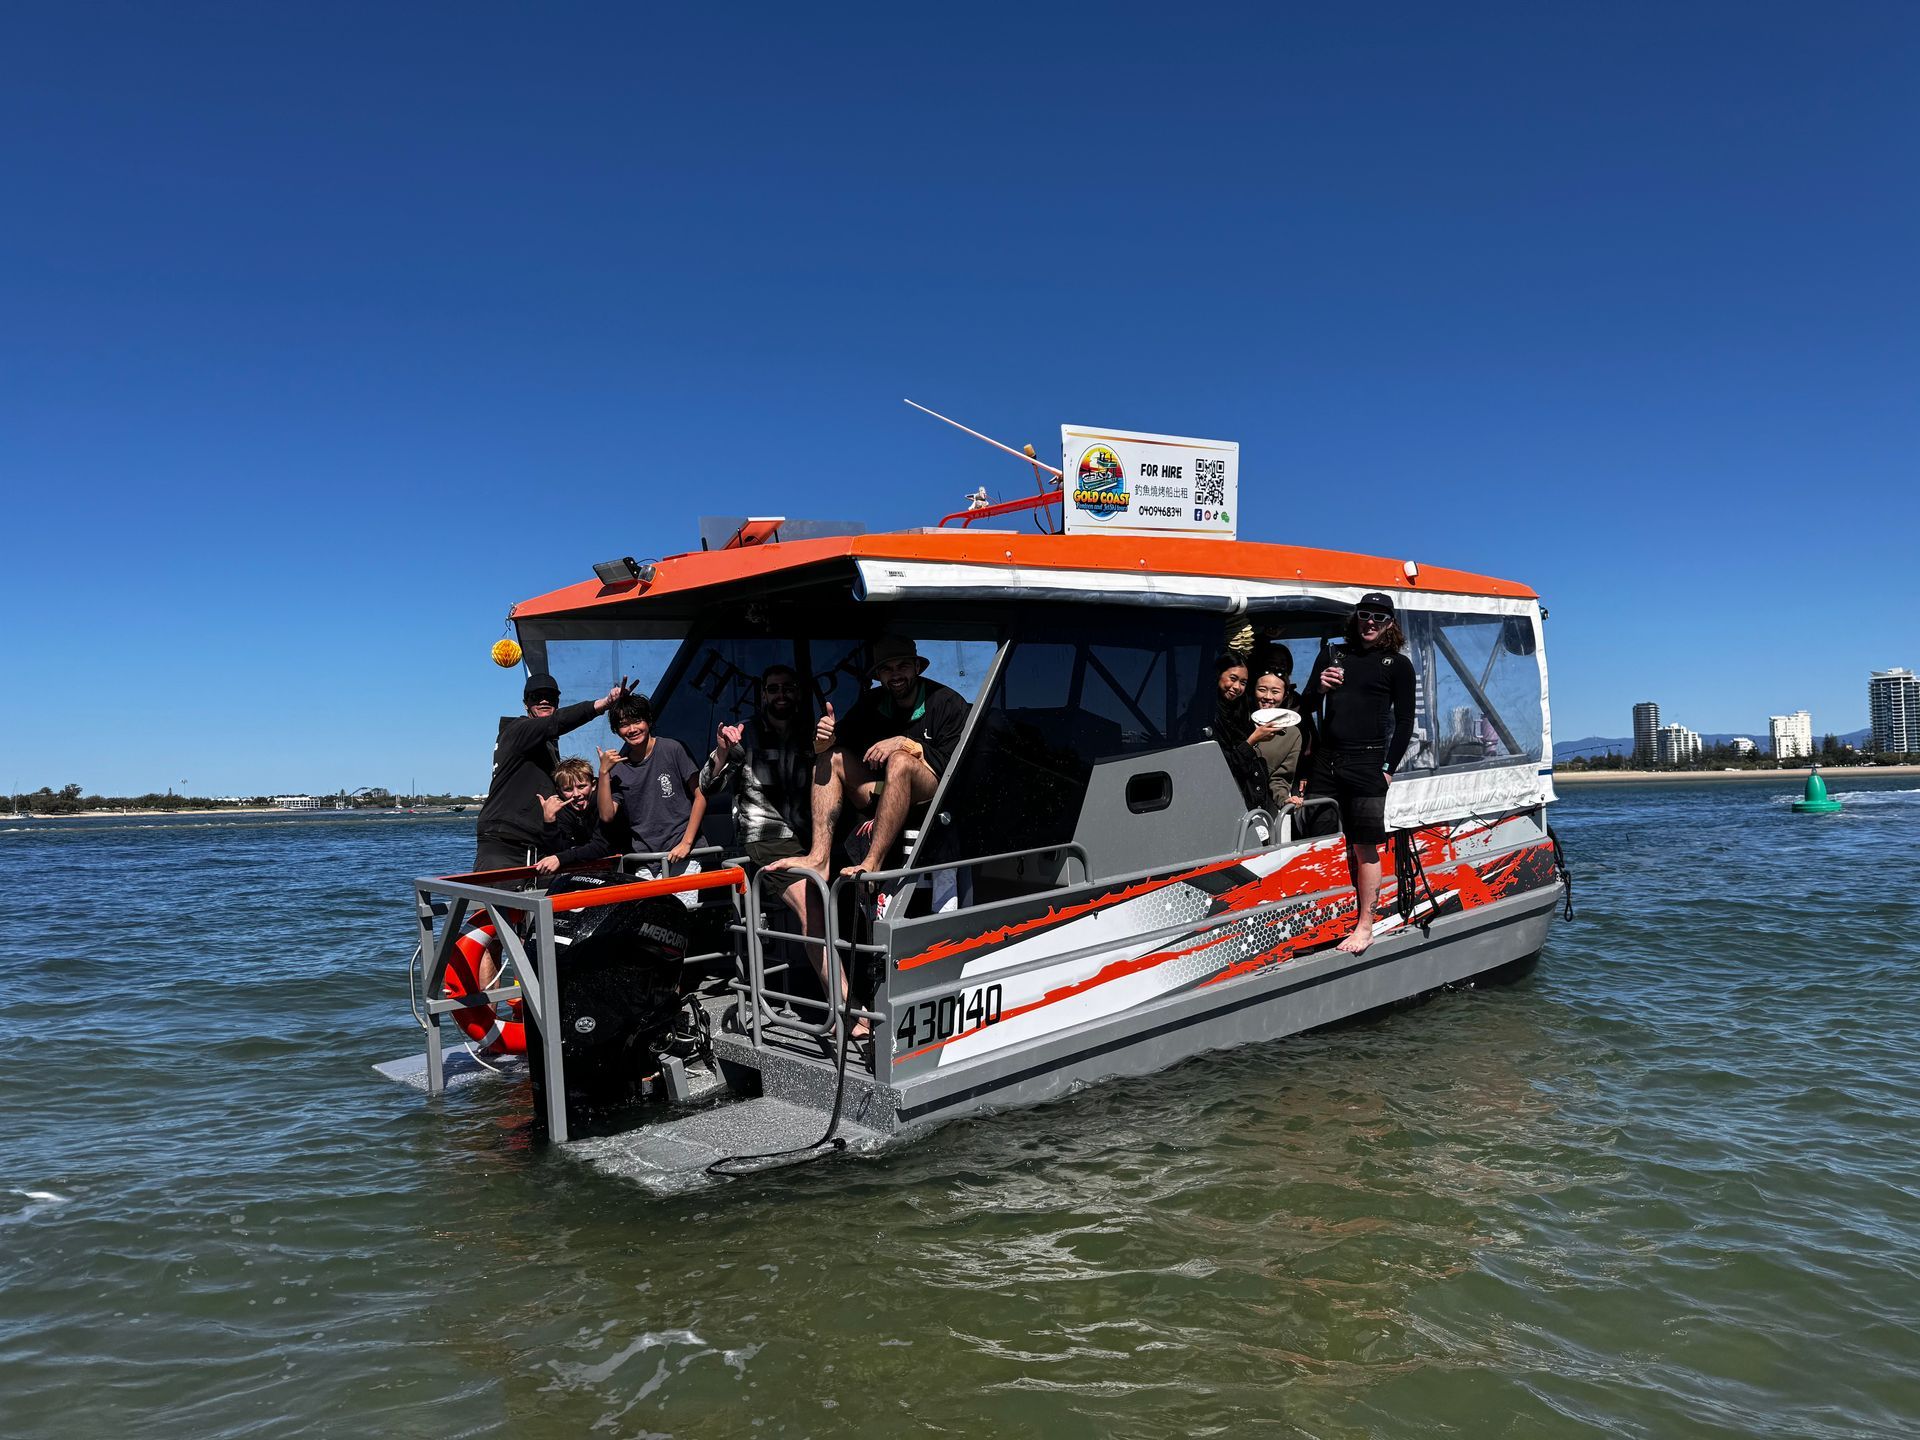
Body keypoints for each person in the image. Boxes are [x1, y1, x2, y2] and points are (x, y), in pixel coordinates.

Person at [770, 635, 969, 881]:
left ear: (917, 667)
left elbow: (955, 766)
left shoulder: (947, 702)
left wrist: (905, 744)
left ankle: (872, 863)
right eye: (886, 669)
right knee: (833, 757)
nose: (895, 675)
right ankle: (819, 858)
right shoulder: (872, 703)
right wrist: (823, 739)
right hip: (881, 793)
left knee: (900, 760)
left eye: (902, 666)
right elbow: (837, 740)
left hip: (931, 798)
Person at [699, 664, 828, 993]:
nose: (781, 694)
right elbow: (708, 786)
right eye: (773, 689)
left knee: (849, 898)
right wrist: (724, 751)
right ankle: (846, 1010)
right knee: (813, 909)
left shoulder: (808, 733)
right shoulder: (746, 734)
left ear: (797, 693)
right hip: (766, 840)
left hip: (811, 838)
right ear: (763, 695)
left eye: (787, 687)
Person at [1299, 592, 1416, 954]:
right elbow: (1303, 707)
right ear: (1356, 618)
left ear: (1389, 625)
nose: (1370, 622)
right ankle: (1321, 919)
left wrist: (1388, 769)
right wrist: (1319, 688)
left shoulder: (1397, 665)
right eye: (1365, 615)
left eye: (1379, 618)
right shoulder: (1333, 654)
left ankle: (1365, 925)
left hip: (1368, 763)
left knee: (1364, 847)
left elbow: (1404, 720)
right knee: (1318, 841)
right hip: (1327, 760)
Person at [473, 671, 629, 871]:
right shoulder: (518, 730)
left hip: (535, 846)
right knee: (500, 900)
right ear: (525, 703)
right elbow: (556, 723)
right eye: (536, 697)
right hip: (506, 844)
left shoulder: (544, 745)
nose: (544, 700)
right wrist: (604, 703)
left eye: (551, 696)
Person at [596, 694, 707, 872]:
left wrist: (686, 843)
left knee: (678, 902)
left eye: (637, 721)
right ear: (616, 730)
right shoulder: (618, 769)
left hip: (683, 854)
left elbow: (700, 795)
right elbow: (607, 815)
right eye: (624, 725)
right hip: (645, 860)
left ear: (648, 721)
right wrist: (603, 772)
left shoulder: (672, 749)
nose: (632, 729)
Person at [1208, 652, 1272, 813]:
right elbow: (1224, 768)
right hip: (1222, 803)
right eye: (1233, 678)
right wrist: (1251, 741)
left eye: (1243, 682)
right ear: (1218, 675)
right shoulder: (1206, 717)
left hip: (1248, 801)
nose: (1237, 687)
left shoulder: (1241, 712)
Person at [533, 757, 611, 876]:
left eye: (581, 787)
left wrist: (562, 858)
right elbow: (559, 850)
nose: (576, 794)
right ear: (559, 792)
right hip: (587, 870)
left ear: (593, 785)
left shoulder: (604, 803)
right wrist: (549, 821)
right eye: (568, 789)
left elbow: (601, 846)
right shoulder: (564, 810)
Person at [1248, 661, 1305, 815]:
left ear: (1285, 695)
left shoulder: (1292, 734)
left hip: (1260, 808)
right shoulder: (1239, 721)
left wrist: (1284, 800)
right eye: (1262, 690)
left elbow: (1280, 779)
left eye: (1275, 691)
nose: (1268, 697)